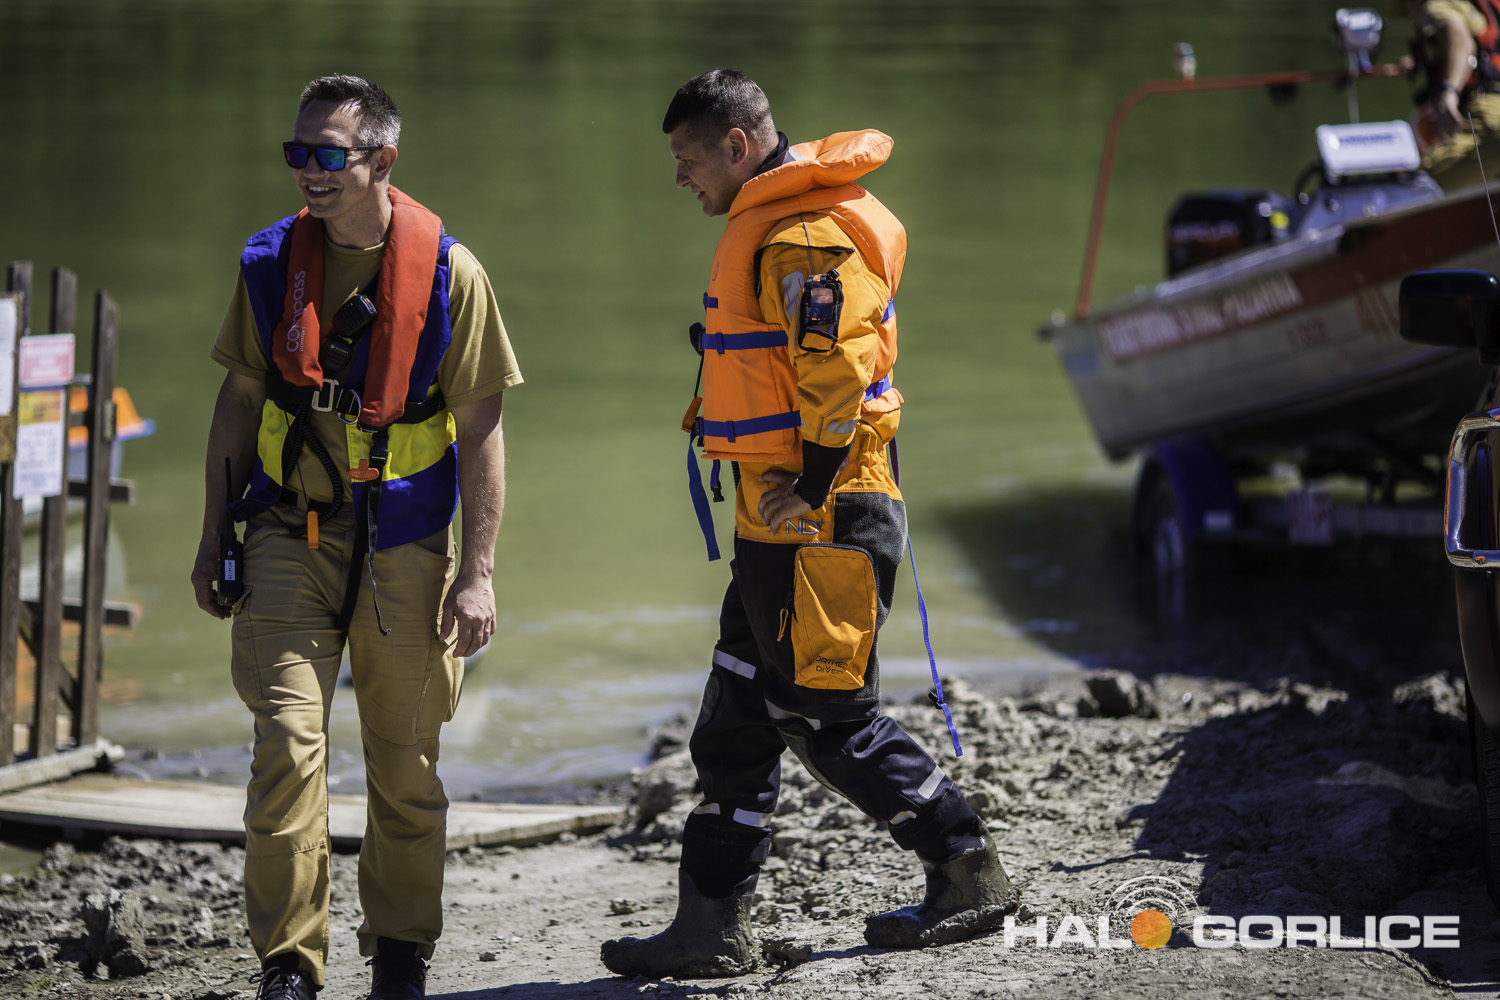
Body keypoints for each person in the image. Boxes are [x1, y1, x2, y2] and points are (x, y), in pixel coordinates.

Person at [599, 69, 1019, 978]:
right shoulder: (778, 226)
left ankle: (968, 871)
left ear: (738, 145)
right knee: (736, 713)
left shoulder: (804, 236)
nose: (680, 178)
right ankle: (710, 926)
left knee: (826, 717)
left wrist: (817, 481)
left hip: (822, 512)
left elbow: (839, 373)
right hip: (777, 516)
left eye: (687, 159)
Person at [190, 75, 522, 1000]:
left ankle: (402, 954)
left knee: (405, 763)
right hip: (285, 535)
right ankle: (289, 964)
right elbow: (237, 403)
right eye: (298, 152)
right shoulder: (269, 265)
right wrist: (212, 535)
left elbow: (483, 429)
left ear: (382, 160)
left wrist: (478, 572)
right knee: (286, 749)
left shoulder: (452, 274)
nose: (310, 170)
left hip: (406, 544)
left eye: (329, 154)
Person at [1403, 0, 1500, 188]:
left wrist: (1449, 92)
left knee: (1417, 187)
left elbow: (1461, 40)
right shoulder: (1481, 9)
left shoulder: (1438, 5)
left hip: (1490, 115)